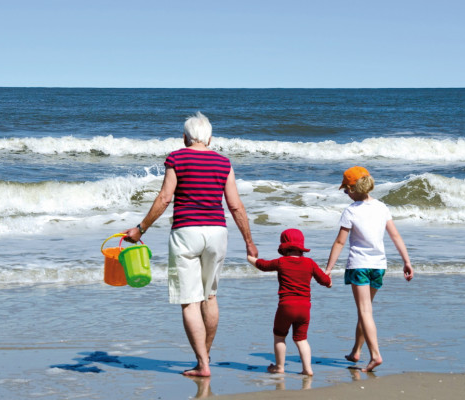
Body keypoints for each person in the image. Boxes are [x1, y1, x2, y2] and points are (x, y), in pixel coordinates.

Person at [122, 112, 257, 377]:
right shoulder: (223, 162)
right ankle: (204, 358)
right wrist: (249, 242)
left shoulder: (177, 157)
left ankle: (203, 364)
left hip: (186, 232)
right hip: (217, 232)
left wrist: (140, 229)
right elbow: (235, 206)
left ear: (185, 137)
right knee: (210, 296)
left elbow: (164, 198)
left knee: (189, 301)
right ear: (210, 138)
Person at [324, 166, 413, 372]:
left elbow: (340, 242)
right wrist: (406, 261)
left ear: (353, 189)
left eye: (346, 189)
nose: (346, 193)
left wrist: (328, 269)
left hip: (359, 265)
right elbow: (396, 236)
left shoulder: (351, 211)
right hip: (379, 266)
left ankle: (375, 355)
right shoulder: (382, 207)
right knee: (366, 311)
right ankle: (356, 350)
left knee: (365, 311)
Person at [247, 228, 332, 376]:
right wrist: (329, 281)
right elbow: (325, 281)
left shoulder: (281, 262)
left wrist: (250, 258)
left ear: (284, 245)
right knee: (301, 339)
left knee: (279, 336)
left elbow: (263, 265)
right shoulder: (310, 263)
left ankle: (279, 367)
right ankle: (307, 369)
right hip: (305, 308)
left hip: (286, 306)